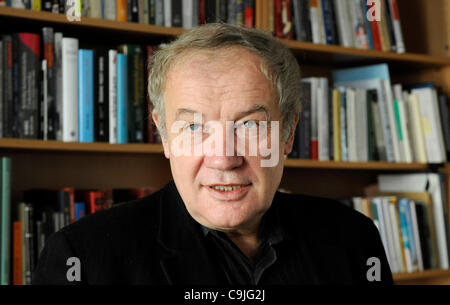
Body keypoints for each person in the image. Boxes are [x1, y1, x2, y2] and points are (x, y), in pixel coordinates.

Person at [32, 23, 393, 285]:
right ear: (163, 135)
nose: (224, 158)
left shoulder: (352, 237)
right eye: (193, 128)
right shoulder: (82, 257)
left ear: (288, 133)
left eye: (250, 126)